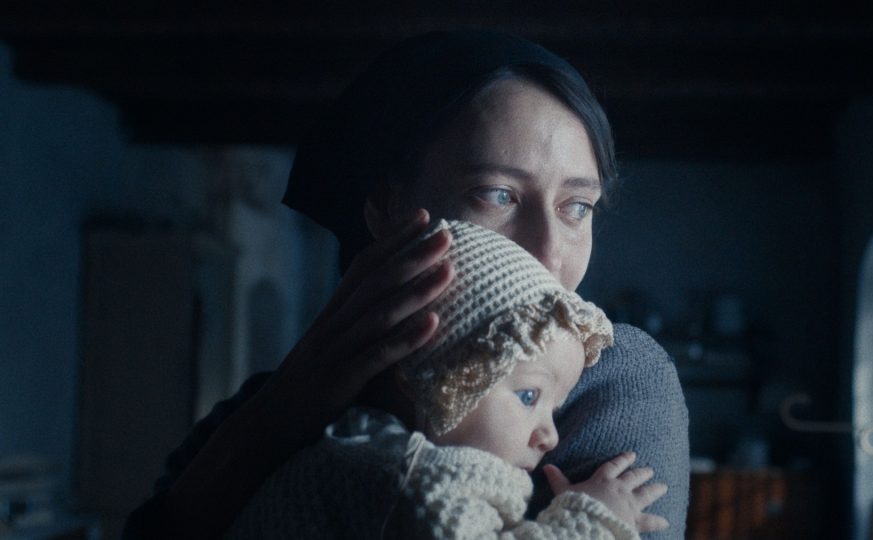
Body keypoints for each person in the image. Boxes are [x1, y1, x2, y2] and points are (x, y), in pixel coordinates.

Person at [123, 29, 689, 539]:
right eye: (497, 194)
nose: (547, 252)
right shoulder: (272, 400)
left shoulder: (612, 374)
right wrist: (288, 406)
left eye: (577, 206)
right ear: (389, 209)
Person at [223, 219, 667, 539]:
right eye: (529, 396)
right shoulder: (410, 480)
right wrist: (591, 519)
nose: (549, 436)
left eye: (554, 407)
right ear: (433, 378)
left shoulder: (381, 451)